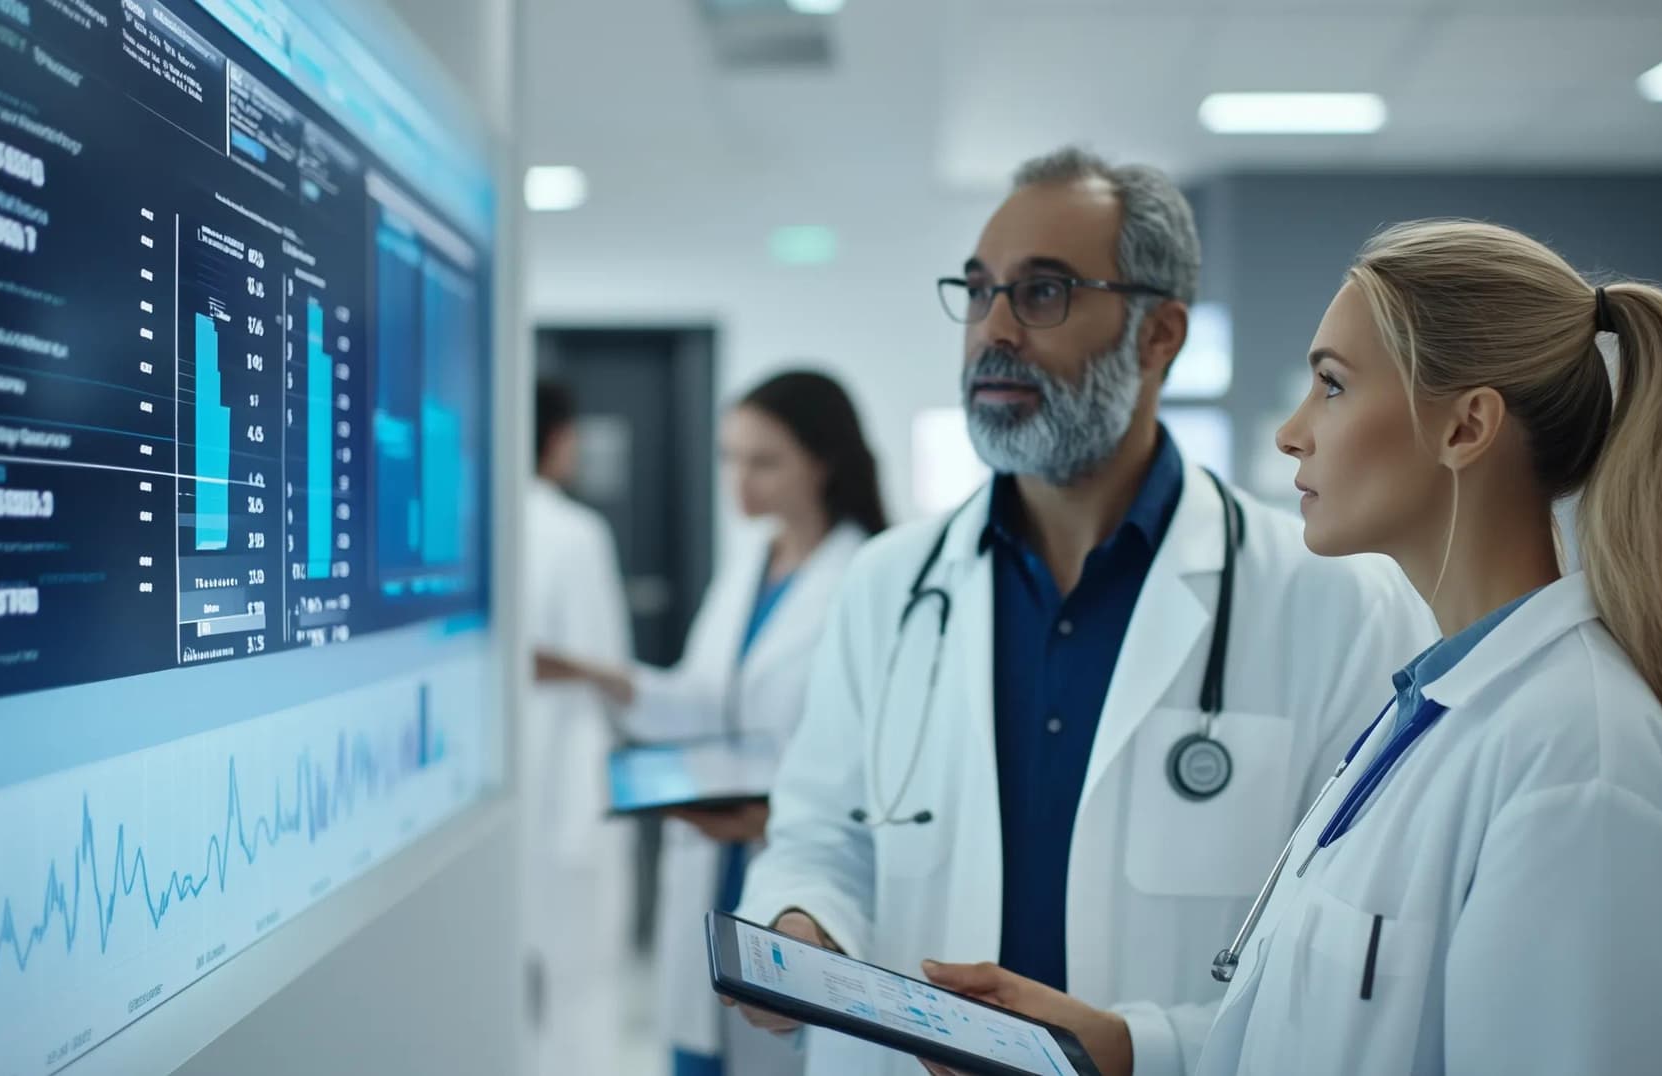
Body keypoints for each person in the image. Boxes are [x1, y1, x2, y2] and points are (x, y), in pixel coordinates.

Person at [921, 220, 1662, 1076]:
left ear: (1466, 428)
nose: (1291, 430)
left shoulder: (1580, 762)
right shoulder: (1435, 714)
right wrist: (1119, 1047)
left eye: (1333, 384)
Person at [727, 148, 1436, 1076]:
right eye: (979, 293)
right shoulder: (890, 582)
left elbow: (1358, 952)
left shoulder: (1336, 601)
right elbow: (821, 834)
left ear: (1159, 336)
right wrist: (800, 924)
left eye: (1045, 293)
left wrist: (1145, 1049)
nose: (995, 331)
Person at [596, 370, 889, 1076]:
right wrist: (595, 674)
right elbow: (703, 700)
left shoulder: (870, 577)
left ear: (822, 462)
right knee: (700, 1046)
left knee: (782, 1046)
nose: (739, 480)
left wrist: (767, 822)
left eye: (763, 461)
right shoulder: (747, 566)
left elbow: (879, 768)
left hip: (795, 873)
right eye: (730, 457)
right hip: (711, 859)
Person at [522, 377, 637, 1076]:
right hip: (569, 778)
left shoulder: (476, 522)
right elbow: (608, 663)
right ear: (558, 438)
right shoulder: (573, 531)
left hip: (510, 786)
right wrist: (620, 683)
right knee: (582, 977)